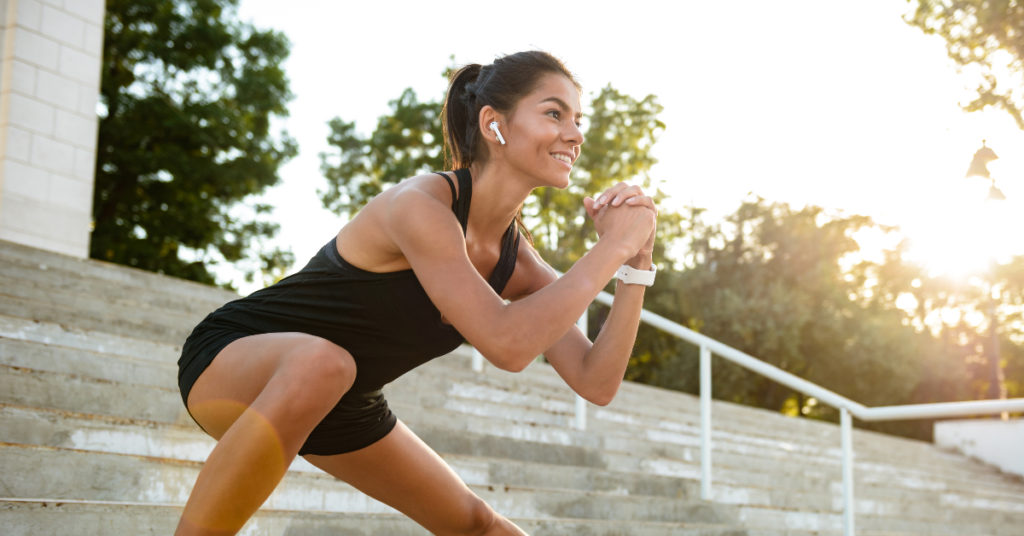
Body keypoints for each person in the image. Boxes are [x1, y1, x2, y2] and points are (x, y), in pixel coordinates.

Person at [175, 50, 657, 536]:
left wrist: (635, 266)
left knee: (477, 525)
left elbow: (597, 382)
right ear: (495, 125)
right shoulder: (421, 206)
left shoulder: (516, 260)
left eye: (578, 119)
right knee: (324, 363)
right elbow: (507, 344)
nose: (575, 134)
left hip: (344, 399)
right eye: (555, 113)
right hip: (233, 361)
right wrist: (613, 245)